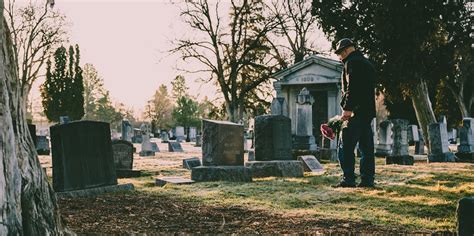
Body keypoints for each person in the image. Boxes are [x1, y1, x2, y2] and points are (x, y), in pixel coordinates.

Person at [334, 38, 376, 188]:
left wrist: (347, 109)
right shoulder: (367, 63)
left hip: (355, 112)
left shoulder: (351, 63)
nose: (340, 57)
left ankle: (348, 179)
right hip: (367, 113)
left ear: (345, 51)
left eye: (340, 54)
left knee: (345, 147)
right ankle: (367, 180)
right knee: (366, 148)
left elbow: (352, 88)